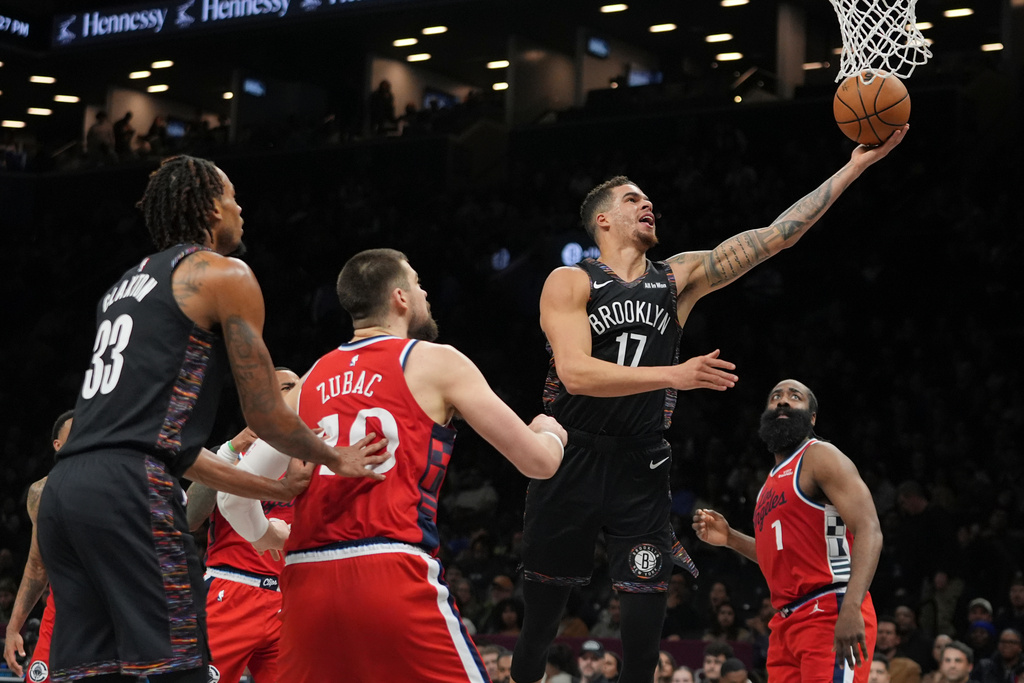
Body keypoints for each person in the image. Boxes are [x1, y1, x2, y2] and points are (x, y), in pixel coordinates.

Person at [513, 126, 908, 683]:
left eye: (648, 199)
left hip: (640, 462)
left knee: (644, 631)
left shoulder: (677, 278)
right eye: (632, 199)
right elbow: (576, 374)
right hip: (570, 455)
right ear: (603, 219)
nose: (648, 204)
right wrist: (675, 374)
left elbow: (777, 236)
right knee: (539, 623)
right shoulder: (570, 280)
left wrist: (854, 166)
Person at [35, 155, 390, 683]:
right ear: (209, 209)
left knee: (94, 672)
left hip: (68, 491)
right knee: (180, 668)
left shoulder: (122, 288)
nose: (240, 209)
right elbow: (265, 412)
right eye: (232, 197)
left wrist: (271, 487)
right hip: (130, 488)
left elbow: (170, 448)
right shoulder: (224, 274)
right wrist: (334, 457)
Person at [217, 248, 567, 682]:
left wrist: (265, 534)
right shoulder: (436, 361)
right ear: (400, 297)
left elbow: (232, 495)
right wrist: (550, 432)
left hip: (306, 582)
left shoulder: (309, 380)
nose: (424, 293)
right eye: (417, 283)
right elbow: (538, 463)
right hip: (390, 568)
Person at [693, 379, 885, 683]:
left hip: (829, 607)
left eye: (794, 396)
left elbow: (869, 530)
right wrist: (731, 538)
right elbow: (780, 557)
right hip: (785, 623)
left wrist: (851, 607)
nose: (782, 400)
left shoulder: (820, 456)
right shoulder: (767, 486)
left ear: (812, 418)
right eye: (775, 397)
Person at [185, 367, 300, 683]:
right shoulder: (233, 452)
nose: (298, 393)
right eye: (288, 388)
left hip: (290, 599)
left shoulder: (312, 457)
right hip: (232, 590)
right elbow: (189, 518)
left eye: (299, 386)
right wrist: (230, 452)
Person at [3, 410, 73, 683]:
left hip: (111, 611)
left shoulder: (119, 482)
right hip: (61, 613)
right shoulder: (43, 492)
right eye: (73, 433)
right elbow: (37, 566)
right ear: (57, 444)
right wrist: (14, 628)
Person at [876, 616, 922, 683]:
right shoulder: (865, 663)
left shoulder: (909, 667)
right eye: (880, 632)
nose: (883, 636)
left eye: (888, 633)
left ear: (897, 639)